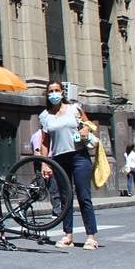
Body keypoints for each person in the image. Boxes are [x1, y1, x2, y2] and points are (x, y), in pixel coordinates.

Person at [40, 81, 100, 250]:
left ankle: (91, 237)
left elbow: (90, 125)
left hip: (79, 156)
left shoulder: (74, 108)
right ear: (47, 94)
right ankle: (68, 236)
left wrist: (85, 130)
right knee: (65, 199)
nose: (54, 94)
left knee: (83, 196)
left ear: (62, 92)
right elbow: (45, 141)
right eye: (50, 91)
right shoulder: (45, 115)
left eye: (57, 90)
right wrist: (45, 164)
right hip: (59, 159)